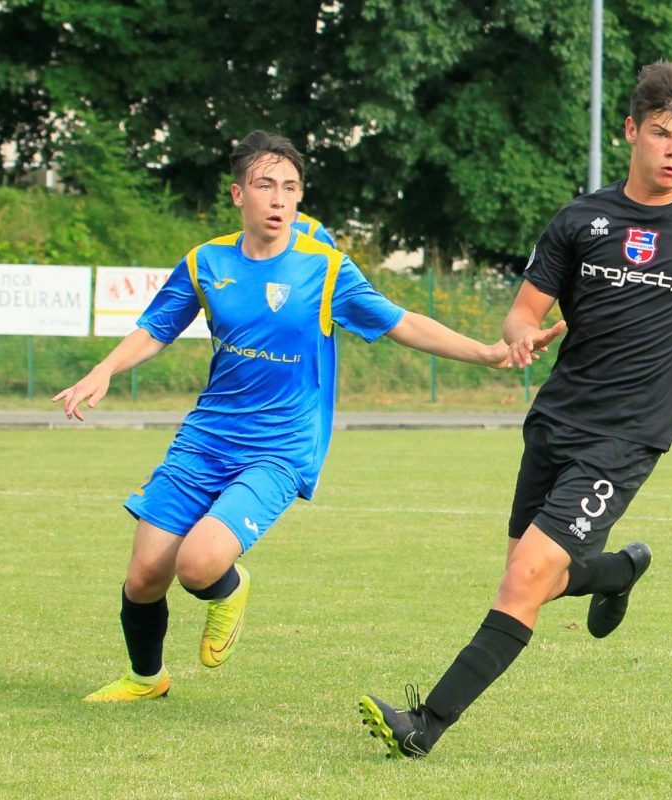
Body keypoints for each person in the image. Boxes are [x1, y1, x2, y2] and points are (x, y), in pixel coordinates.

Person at [358, 61, 672, 759]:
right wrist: (520, 336)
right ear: (632, 131)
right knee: (532, 577)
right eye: (660, 133)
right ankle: (618, 571)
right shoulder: (580, 221)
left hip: (628, 436)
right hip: (558, 421)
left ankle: (425, 725)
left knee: (526, 580)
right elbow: (522, 315)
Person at [53, 130, 564, 703]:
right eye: (264, 185)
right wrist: (103, 371)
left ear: (300, 197)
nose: (277, 198)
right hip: (205, 440)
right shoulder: (206, 262)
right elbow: (156, 328)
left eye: (289, 187)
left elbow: (402, 322)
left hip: (279, 448)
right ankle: (147, 679)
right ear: (237, 194)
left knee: (198, 566)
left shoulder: (323, 268)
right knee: (145, 575)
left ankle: (228, 586)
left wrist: (487, 353)